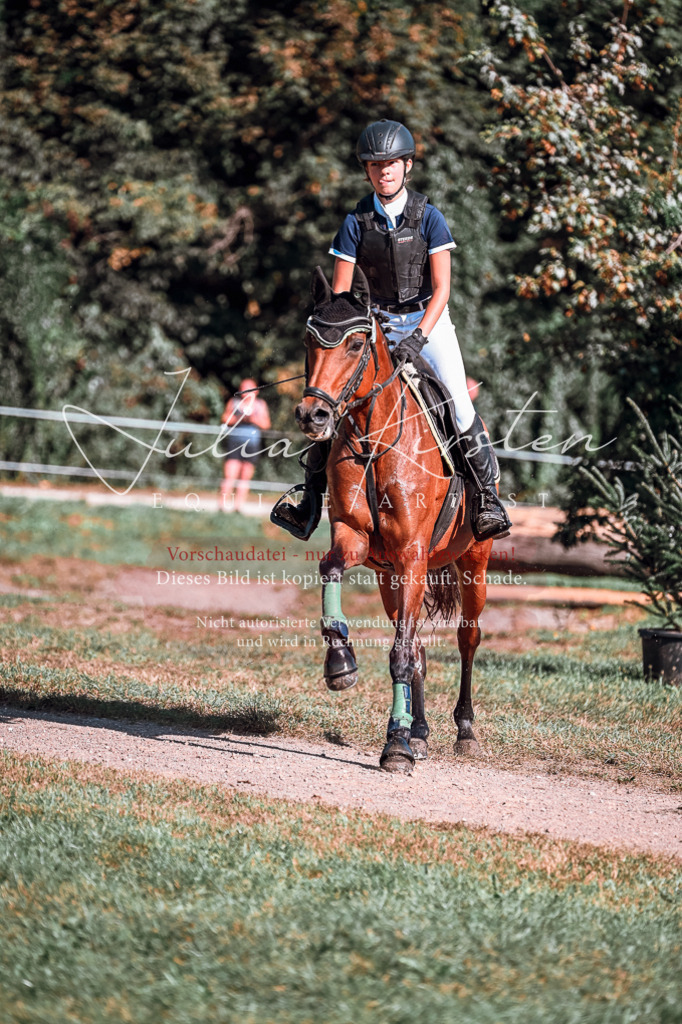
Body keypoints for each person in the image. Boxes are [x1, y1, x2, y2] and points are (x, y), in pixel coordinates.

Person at [271, 119, 511, 542]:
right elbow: (341, 295)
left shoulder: (429, 218)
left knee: (458, 404)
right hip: (375, 326)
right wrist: (339, 336)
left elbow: (442, 290)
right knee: (335, 405)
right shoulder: (354, 222)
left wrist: (418, 337)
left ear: (407, 166)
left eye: (392, 164)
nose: (385, 171)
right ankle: (308, 501)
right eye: (376, 164)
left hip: (428, 323)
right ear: (367, 170)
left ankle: (486, 500)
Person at [220, 378, 270, 512]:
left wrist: (253, 419)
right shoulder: (234, 402)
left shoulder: (260, 405)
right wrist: (238, 418)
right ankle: (223, 506)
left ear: (256, 391)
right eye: (244, 388)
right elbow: (225, 418)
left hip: (252, 444)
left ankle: (238, 506)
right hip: (234, 442)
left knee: (245, 477)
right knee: (230, 475)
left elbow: (266, 424)